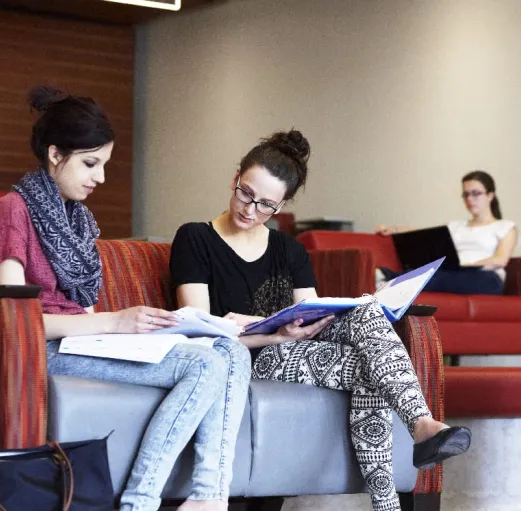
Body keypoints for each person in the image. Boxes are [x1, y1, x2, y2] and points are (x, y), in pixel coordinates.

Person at [0, 85, 250, 511]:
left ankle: (209, 497)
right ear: (55, 154)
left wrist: (142, 328)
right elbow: (12, 321)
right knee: (203, 364)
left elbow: (83, 308)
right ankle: (139, 503)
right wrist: (116, 322)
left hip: (81, 340)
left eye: (103, 164)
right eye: (90, 163)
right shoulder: (11, 211)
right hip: (41, 349)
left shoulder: (79, 219)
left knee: (229, 350)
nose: (100, 177)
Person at [170, 129, 472, 511]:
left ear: (281, 206)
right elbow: (201, 331)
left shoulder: (289, 249)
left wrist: (307, 322)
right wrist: (273, 334)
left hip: (295, 347)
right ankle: (416, 439)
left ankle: (416, 439)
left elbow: (312, 317)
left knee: (366, 315)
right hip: (250, 355)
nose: (250, 209)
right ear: (235, 179)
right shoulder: (195, 239)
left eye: (266, 205)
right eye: (246, 193)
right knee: (371, 369)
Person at [376, 170, 517, 295]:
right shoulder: (457, 226)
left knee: (442, 276)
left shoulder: (505, 226)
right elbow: (423, 233)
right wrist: (393, 230)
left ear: (490, 195)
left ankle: (388, 279)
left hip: (487, 277)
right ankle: (387, 280)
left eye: (476, 193)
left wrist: (465, 266)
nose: (469, 199)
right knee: (436, 272)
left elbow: (500, 260)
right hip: (453, 272)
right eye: (466, 194)